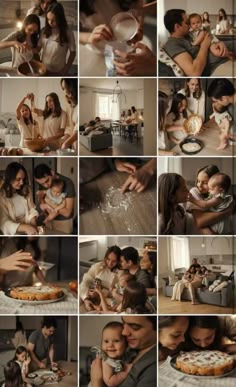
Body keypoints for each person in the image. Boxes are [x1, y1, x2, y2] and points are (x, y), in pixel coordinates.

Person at [163, 9, 234, 76]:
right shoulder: (172, 44)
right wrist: (204, 46)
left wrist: (219, 42)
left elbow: (207, 36)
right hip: (217, 66)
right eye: (187, 22)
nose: (189, 24)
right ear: (177, 26)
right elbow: (194, 72)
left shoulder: (188, 34)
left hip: (223, 54)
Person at [158, 172, 233, 235]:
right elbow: (200, 221)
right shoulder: (161, 221)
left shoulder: (179, 211)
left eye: (205, 183)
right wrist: (225, 213)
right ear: (171, 197)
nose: (188, 190)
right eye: (184, 189)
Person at [90, 316, 157, 387]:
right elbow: (110, 381)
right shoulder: (128, 351)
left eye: (135, 327)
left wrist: (96, 381)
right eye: (124, 323)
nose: (124, 332)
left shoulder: (152, 368)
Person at [34, 164, 75, 234]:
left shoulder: (67, 183)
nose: (46, 185)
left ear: (52, 173)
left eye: (47, 181)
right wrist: (41, 200)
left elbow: (67, 213)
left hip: (63, 223)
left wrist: (49, 204)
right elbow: (42, 203)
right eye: (42, 184)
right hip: (48, 222)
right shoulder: (42, 184)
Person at [0, 162, 39, 235]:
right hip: (14, 234)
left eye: (23, 179)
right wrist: (24, 227)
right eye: (18, 179)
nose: (22, 182)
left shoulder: (26, 190)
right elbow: (3, 222)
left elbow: (32, 209)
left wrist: (33, 226)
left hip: (28, 231)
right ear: (10, 178)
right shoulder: (1, 195)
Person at [80, 246, 121, 312]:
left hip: (108, 301)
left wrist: (101, 292)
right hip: (89, 296)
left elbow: (118, 293)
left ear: (118, 261)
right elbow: (85, 282)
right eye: (108, 259)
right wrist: (86, 299)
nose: (110, 263)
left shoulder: (121, 273)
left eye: (114, 261)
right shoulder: (97, 267)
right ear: (105, 257)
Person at [89, 322, 131, 387]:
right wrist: (125, 373)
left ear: (126, 344)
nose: (110, 345)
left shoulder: (124, 357)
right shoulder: (107, 361)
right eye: (106, 341)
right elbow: (110, 382)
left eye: (116, 341)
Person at [39, 2, 76, 75]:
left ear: (60, 18)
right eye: (48, 19)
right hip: (43, 70)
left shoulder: (67, 32)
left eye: (53, 20)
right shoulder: (44, 31)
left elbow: (73, 53)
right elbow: (38, 48)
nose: (50, 22)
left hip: (59, 71)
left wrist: (66, 69)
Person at [207, 79, 236, 144]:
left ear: (223, 98)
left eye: (216, 101)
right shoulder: (229, 100)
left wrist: (229, 136)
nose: (216, 104)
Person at [60, 78, 78, 150]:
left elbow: (77, 129)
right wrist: (65, 137)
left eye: (66, 87)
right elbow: (69, 126)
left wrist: (66, 143)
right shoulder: (69, 106)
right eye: (63, 88)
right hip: (74, 144)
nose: (65, 91)